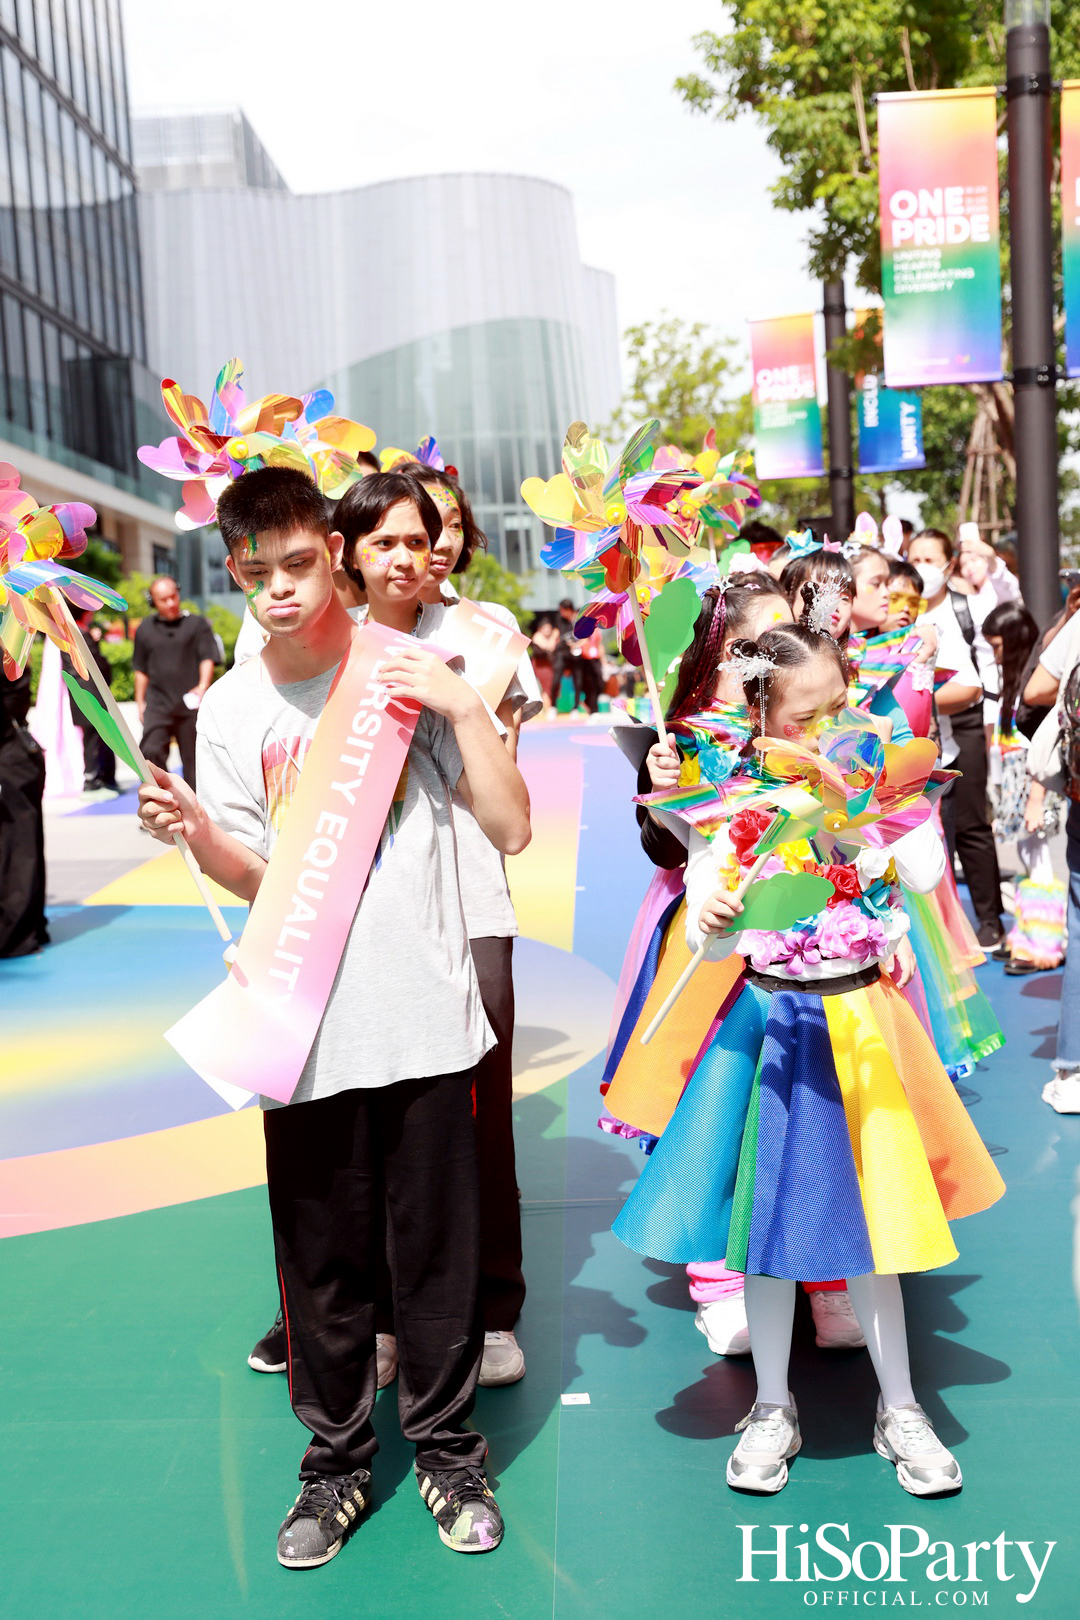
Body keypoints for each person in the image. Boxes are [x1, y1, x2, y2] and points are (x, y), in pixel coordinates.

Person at [137, 466, 530, 1567]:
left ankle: (450, 1453)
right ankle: (336, 1467)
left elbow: (511, 829)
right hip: (298, 1024)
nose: (275, 588)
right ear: (230, 572)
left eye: (298, 563)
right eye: (253, 571)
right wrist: (196, 832)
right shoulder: (230, 708)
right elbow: (261, 877)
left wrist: (462, 706)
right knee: (320, 1267)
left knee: (438, 1261)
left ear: (336, 552)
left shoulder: (408, 672)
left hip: (425, 1017)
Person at [612, 623, 1005, 1497]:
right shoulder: (734, 816)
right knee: (765, 1230)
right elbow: (719, 952)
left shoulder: (871, 788)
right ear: (762, 721)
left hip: (863, 1022)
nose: (825, 731)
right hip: (776, 1032)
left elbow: (917, 864)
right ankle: (771, 1406)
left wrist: (885, 835)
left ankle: (900, 1406)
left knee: (879, 1233)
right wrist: (712, 909)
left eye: (837, 707)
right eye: (804, 717)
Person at [604, 578, 865, 1356]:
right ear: (721, 651)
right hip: (718, 942)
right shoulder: (688, 736)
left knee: (817, 1104)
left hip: (813, 933)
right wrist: (660, 789)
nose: (778, 650)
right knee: (718, 1107)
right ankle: (719, 1277)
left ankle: (827, 1274)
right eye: (757, 641)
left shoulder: (820, 730)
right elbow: (671, 851)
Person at [907, 529, 1002, 948]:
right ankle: (944, 932)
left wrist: (918, 699)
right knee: (931, 830)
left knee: (971, 825)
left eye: (930, 559)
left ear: (949, 564)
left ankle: (990, 919)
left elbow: (973, 685)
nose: (922, 568)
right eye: (914, 559)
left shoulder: (963, 608)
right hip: (916, 737)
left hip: (962, 727)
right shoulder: (898, 614)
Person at [983, 600, 1065, 977]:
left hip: (1035, 781)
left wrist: (1035, 794)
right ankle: (1028, 935)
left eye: (998, 646)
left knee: (1040, 861)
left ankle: (1046, 942)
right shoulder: (1013, 683)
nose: (994, 655)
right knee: (1029, 858)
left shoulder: (1036, 683)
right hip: (1017, 782)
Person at [132, 576, 218, 788]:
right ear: (153, 601)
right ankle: (162, 800)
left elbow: (207, 657)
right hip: (158, 704)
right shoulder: (144, 629)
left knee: (195, 761)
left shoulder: (197, 624)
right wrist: (140, 702)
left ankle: (196, 811)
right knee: (150, 751)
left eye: (173, 597)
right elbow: (140, 669)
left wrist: (202, 687)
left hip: (191, 705)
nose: (170, 603)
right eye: (164, 599)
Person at [0, 667, 48, 956]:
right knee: (20, 848)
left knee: (18, 849)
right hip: (16, 759)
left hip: (12, 761)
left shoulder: (10, 653)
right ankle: (26, 926)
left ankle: (17, 933)